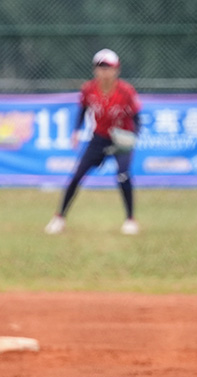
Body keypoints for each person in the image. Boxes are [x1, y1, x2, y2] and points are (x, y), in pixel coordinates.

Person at [45, 48, 143, 236]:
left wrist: (134, 136)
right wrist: (76, 131)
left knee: (123, 175)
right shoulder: (89, 89)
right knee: (77, 175)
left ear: (116, 70)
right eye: (100, 67)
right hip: (99, 137)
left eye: (108, 67)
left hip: (122, 138)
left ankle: (130, 220)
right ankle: (59, 217)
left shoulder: (126, 91)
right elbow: (83, 110)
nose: (103, 71)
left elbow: (137, 117)